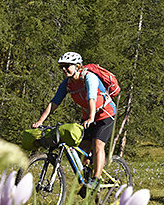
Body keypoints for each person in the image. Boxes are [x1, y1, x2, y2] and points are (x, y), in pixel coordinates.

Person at [32, 52, 116, 187]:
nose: (64, 70)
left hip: (105, 114)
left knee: (97, 145)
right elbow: (54, 103)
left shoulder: (89, 78)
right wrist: (40, 121)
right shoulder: (67, 83)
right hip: (88, 117)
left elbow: (91, 98)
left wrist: (91, 117)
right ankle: (87, 178)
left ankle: (96, 179)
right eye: (62, 67)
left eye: (67, 66)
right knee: (83, 148)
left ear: (77, 66)